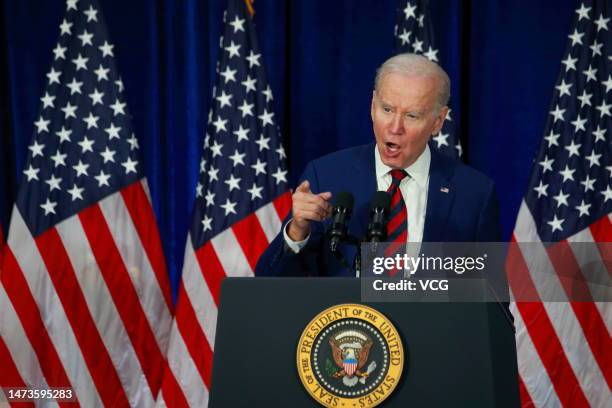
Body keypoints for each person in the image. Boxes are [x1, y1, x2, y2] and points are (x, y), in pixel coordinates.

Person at [255, 53, 501, 277]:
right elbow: (269, 285)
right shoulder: (326, 177)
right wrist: (297, 231)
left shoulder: (474, 194)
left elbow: (493, 308)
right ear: (373, 106)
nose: (395, 127)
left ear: (438, 122)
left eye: (411, 115)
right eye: (387, 109)